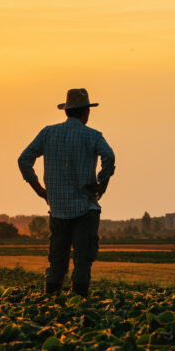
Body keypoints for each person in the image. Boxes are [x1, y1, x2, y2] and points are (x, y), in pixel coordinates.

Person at [17, 88, 115, 298]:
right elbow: (109, 157)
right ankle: (78, 305)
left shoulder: (48, 133)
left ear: (67, 111)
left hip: (58, 210)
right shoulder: (93, 136)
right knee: (82, 260)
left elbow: (24, 159)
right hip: (85, 209)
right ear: (85, 113)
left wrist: (39, 190)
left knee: (57, 261)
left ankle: (50, 303)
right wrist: (102, 183)